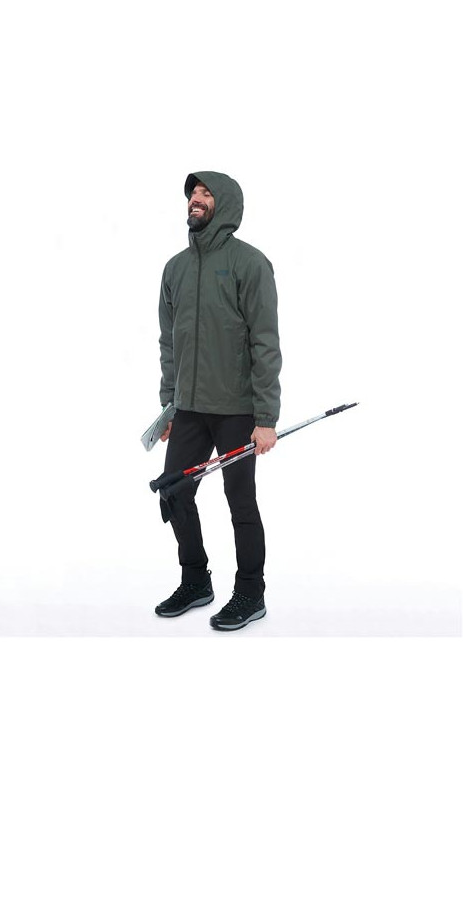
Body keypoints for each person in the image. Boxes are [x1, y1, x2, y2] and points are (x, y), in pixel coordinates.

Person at [154, 171, 282, 630]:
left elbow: (265, 343)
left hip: (236, 410)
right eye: (193, 192)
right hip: (189, 409)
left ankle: (250, 592)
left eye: (206, 193)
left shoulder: (250, 263)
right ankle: (195, 581)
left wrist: (265, 417)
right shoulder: (175, 268)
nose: (196, 198)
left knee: (239, 500)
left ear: (224, 203)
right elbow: (169, 342)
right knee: (173, 491)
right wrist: (169, 404)